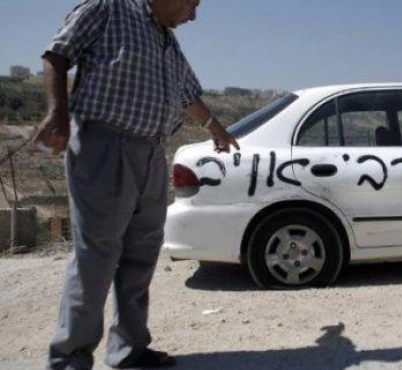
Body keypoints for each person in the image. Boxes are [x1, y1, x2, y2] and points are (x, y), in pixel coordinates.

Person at [34, 0, 239, 368]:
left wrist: (216, 129)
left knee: (141, 256)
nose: (193, 16)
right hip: (104, 146)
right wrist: (57, 113)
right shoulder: (108, 10)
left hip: (151, 153)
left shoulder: (167, 41)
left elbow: (188, 95)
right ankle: (70, 358)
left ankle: (129, 349)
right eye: (192, 5)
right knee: (96, 256)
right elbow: (57, 55)